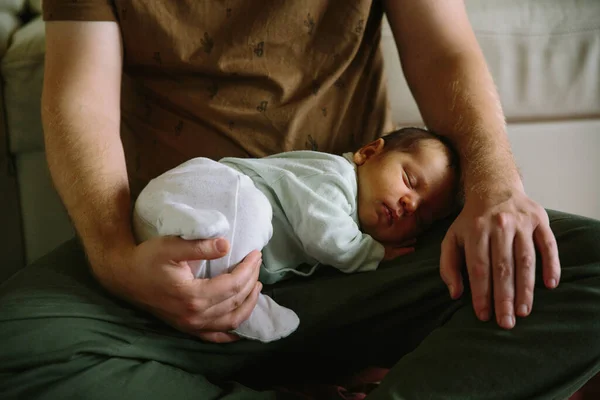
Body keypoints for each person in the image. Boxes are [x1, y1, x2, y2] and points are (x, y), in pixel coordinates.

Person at [0, 0, 599, 399]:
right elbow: (81, 98)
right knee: (16, 342)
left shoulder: (389, 211)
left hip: (364, 258)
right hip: (177, 267)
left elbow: (444, 47)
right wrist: (113, 258)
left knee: (580, 269)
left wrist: (495, 188)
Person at [132, 127, 460, 342]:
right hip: (203, 192)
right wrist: (373, 253)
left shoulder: (350, 202)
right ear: (369, 153)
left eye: (421, 217)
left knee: (238, 271)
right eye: (410, 181)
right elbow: (324, 235)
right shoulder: (336, 177)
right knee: (254, 212)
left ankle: (241, 304)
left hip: (186, 250)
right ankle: (187, 224)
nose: (409, 204)